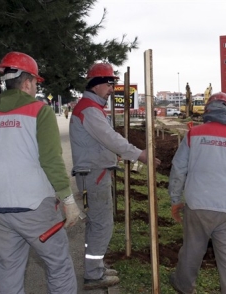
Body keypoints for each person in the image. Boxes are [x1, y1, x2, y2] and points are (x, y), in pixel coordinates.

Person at [69, 62, 161, 290]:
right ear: (97, 84)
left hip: (93, 173)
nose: (112, 89)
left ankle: (95, 267)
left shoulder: (91, 107)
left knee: (96, 225)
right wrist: (139, 155)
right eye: (109, 84)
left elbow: (103, 141)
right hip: (93, 175)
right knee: (101, 225)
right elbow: (109, 138)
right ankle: (93, 275)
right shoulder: (89, 109)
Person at [0, 52, 80, 293]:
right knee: (59, 266)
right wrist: (67, 198)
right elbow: (51, 160)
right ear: (26, 82)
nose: (35, 88)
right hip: (35, 207)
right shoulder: (39, 110)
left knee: (7, 269)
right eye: (35, 83)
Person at [168, 92, 226, 294]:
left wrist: (175, 199)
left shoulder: (194, 134)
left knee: (192, 251)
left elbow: (178, 169)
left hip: (197, 205)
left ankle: (183, 286)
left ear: (208, 109)